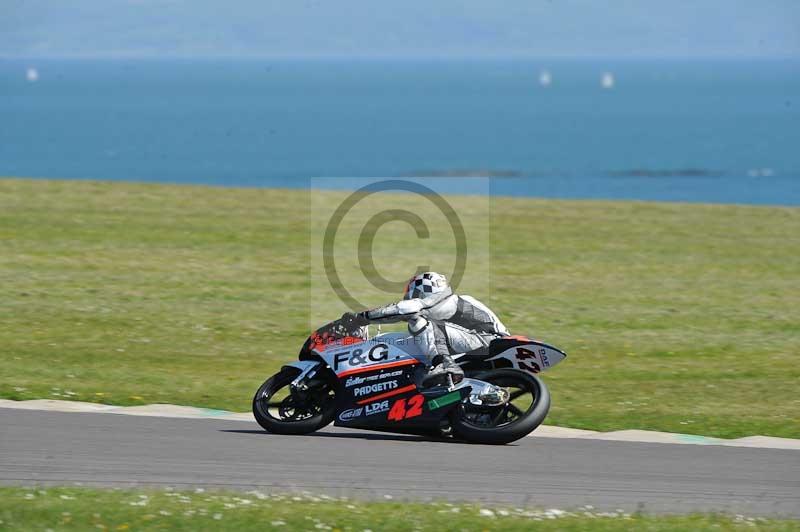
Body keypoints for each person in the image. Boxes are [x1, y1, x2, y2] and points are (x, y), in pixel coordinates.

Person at [341, 272, 509, 387]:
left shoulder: (445, 301)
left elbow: (406, 310)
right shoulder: (451, 304)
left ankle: (444, 365)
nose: (410, 298)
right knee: (416, 338)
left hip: (486, 341)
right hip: (480, 345)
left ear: (422, 290)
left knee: (418, 322)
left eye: (412, 294)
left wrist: (362, 318)